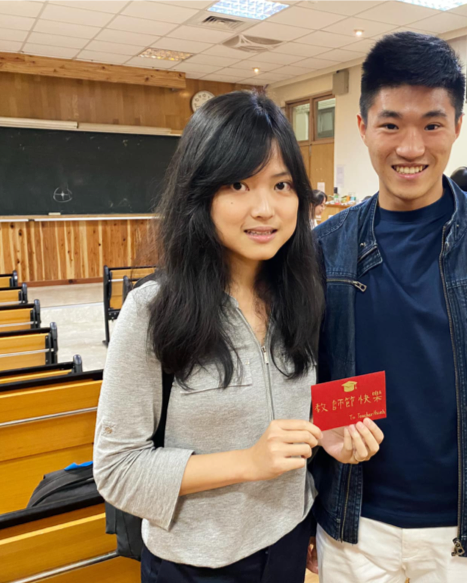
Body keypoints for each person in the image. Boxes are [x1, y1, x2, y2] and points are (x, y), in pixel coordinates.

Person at [93, 91, 382, 582]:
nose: (265, 208)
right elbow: (117, 471)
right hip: (196, 564)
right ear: (198, 193)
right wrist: (247, 463)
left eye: (282, 184)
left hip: (290, 543)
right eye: (238, 185)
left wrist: (326, 435)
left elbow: (291, 413)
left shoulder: (303, 293)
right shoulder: (152, 311)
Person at [310, 32, 467, 583]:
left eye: (431, 124)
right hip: (354, 527)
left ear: (457, 126)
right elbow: (307, 380)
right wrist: (306, 514)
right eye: (390, 124)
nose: (410, 147)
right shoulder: (326, 247)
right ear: (362, 128)